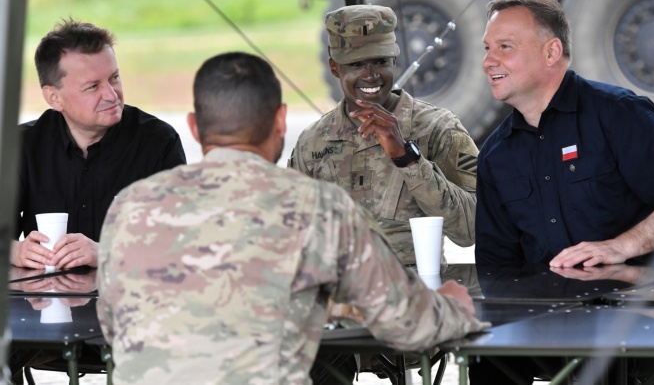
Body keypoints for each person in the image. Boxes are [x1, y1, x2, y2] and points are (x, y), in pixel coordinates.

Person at [96, 52, 487, 384]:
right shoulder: (316, 206)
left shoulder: (130, 205)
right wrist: (452, 306)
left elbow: (112, 325)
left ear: (195, 127)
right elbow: (406, 320)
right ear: (281, 121)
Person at [472, 0, 654, 383]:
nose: (489, 60)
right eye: (488, 48)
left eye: (505, 47)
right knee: (483, 357)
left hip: (638, 318)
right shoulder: (495, 155)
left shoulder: (617, 113)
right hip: (546, 327)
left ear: (551, 51)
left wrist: (621, 247)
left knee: (600, 361)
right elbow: (496, 268)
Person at [289, 4, 478, 264]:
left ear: (395, 61)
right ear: (335, 68)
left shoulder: (438, 128)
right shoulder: (312, 142)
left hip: (416, 292)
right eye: (356, 64)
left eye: (381, 62)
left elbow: (471, 230)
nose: (371, 75)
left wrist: (408, 159)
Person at [12, 19, 186, 271]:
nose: (111, 95)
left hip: (130, 301)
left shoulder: (158, 141)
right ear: (54, 97)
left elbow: (179, 244)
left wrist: (106, 251)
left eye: (114, 78)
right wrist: (15, 251)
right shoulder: (23, 146)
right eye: (93, 86)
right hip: (41, 303)